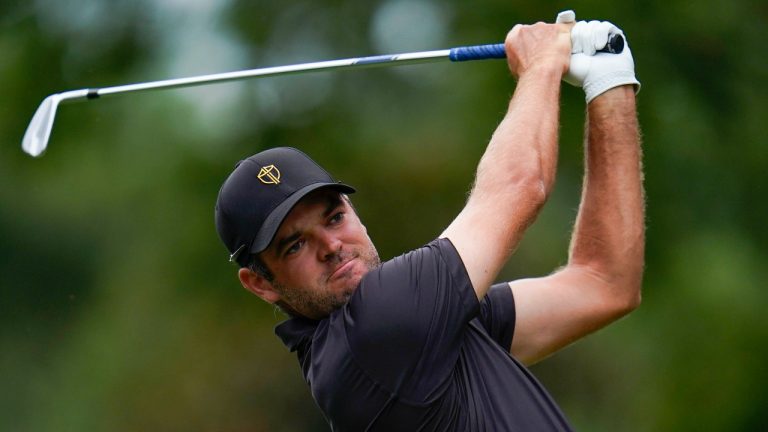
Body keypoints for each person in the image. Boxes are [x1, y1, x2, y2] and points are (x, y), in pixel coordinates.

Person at [215, 11, 644, 431]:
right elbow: (519, 186)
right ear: (261, 283)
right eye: (294, 245)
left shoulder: (424, 331)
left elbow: (605, 284)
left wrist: (610, 84)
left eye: (334, 217)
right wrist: (542, 62)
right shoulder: (375, 331)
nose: (330, 246)